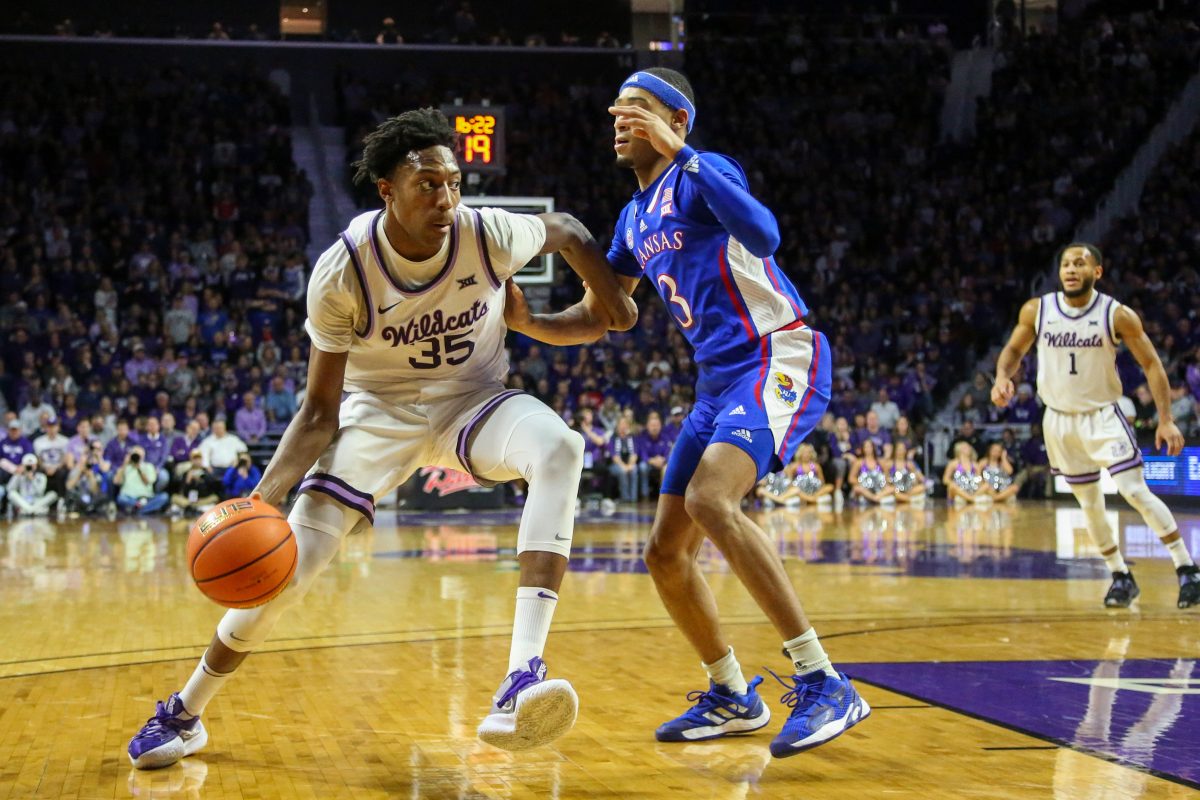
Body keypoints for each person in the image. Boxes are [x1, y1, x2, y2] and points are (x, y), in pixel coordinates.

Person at [128, 108, 637, 769]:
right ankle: (186, 711)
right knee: (281, 574)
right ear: (387, 191)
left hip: (473, 402)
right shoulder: (344, 272)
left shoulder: (487, 234)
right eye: (428, 183)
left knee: (561, 447)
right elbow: (317, 410)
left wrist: (615, 307)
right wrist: (262, 501)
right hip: (378, 416)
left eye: (454, 182)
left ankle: (521, 679)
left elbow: (567, 230)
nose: (447, 198)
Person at [505, 68, 867, 758]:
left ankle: (824, 680)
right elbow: (605, 315)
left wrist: (682, 152)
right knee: (664, 553)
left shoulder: (704, 172)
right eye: (615, 107)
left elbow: (763, 236)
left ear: (677, 119)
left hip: (775, 354)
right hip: (714, 382)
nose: (619, 116)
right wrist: (530, 324)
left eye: (636, 107)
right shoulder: (632, 216)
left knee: (710, 499)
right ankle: (731, 693)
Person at [993, 243, 1199, 609]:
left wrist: (1166, 419)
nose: (1071, 269)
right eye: (1066, 264)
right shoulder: (1038, 310)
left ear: (1097, 272)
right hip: (1058, 420)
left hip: (1103, 416)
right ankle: (1120, 575)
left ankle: (1187, 569)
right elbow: (1012, 351)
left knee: (1135, 492)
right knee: (1089, 504)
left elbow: (1152, 364)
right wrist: (1000, 378)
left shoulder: (1116, 314)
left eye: (1080, 263)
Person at [114, 445, 169, 515]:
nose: (137, 457)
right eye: (135, 454)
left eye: (139, 455)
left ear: (143, 456)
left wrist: (139, 468)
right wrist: (124, 464)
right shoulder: (126, 467)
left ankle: (139, 510)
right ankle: (144, 509)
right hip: (130, 498)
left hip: (146, 498)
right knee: (120, 498)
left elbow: (147, 482)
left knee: (164, 496)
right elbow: (116, 481)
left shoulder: (149, 466)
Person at [635, 411, 672, 498]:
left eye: (656, 425)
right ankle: (645, 495)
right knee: (642, 467)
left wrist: (663, 460)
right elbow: (643, 455)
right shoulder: (642, 438)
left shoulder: (665, 437)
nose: (654, 428)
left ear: (660, 426)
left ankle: (663, 495)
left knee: (667, 467)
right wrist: (652, 461)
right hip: (648, 463)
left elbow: (668, 453)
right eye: (652, 425)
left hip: (662, 463)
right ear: (647, 427)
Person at [850, 439, 894, 506]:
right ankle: (874, 498)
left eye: (870, 447)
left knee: (892, 488)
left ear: (873, 448)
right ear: (863, 449)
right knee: (856, 488)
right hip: (865, 488)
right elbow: (851, 478)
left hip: (879, 487)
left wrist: (884, 483)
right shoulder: (858, 462)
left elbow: (886, 476)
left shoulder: (880, 462)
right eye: (866, 447)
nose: (868, 449)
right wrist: (863, 482)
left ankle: (877, 497)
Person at [607, 416, 638, 503]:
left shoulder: (632, 437)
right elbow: (614, 456)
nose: (623, 426)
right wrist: (624, 466)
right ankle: (625, 498)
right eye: (621, 424)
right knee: (622, 471)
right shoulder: (613, 437)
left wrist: (630, 465)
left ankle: (633, 499)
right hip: (616, 465)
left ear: (628, 426)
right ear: (617, 426)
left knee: (634, 469)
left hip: (629, 463)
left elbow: (634, 454)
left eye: (625, 424)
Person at [943, 441, 982, 506]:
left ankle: (971, 497)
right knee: (952, 487)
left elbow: (980, 480)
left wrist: (978, 486)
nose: (968, 449)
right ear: (959, 450)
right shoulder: (953, 463)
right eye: (965, 447)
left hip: (972, 488)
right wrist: (952, 483)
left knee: (987, 485)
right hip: (959, 488)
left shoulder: (975, 465)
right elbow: (945, 479)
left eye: (969, 447)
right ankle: (971, 499)